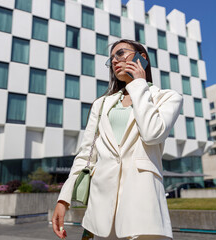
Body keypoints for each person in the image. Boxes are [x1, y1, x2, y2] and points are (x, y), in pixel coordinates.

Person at [52, 39, 183, 240]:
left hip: (143, 207)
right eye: (111, 58)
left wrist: (138, 83)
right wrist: (64, 200)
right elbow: (86, 154)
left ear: (142, 58)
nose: (114, 61)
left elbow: (152, 134)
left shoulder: (167, 98)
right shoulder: (102, 104)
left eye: (120, 53)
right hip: (101, 209)